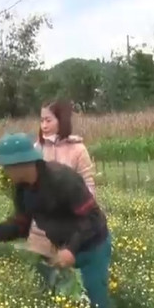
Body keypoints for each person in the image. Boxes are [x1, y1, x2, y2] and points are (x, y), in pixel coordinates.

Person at [0, 132, 112, 308]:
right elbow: (21, 226)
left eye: (6, 166)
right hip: (63, 248)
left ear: (21, 164)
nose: (3, 170)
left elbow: (92, 218)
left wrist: (71, 249)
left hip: (92, 247)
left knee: (97, 307)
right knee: (69, 305)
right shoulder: (22, 189)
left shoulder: (62, 180)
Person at [28, 100, 96, 290]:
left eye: (48, 120)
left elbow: (89, 187)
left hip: (70, 230)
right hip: (42, 232)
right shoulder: (36, 149)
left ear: (62, 120)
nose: (44, 125)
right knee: (43, 283)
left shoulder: (78, 150)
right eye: (41, 121)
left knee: (71, 285)